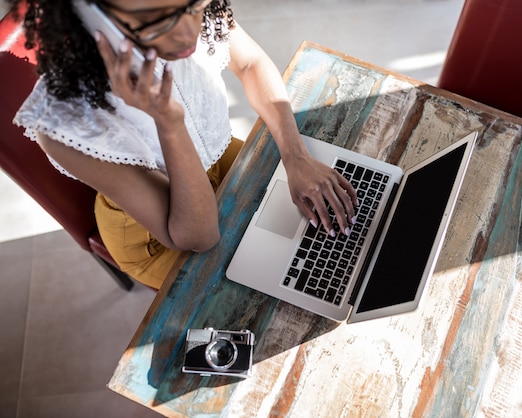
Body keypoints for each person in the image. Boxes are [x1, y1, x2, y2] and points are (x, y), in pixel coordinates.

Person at [11, 0, 358, 289]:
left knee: (325, 244)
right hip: (159, 230)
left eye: (193, 5)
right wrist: (168, 121)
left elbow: (250, 62)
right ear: (92, 18)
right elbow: (199, 236)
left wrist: (295, 156)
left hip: (218, 161)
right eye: (158, 21)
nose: (188, 31)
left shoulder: (187, 8)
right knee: (268, 283)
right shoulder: (63, 130)